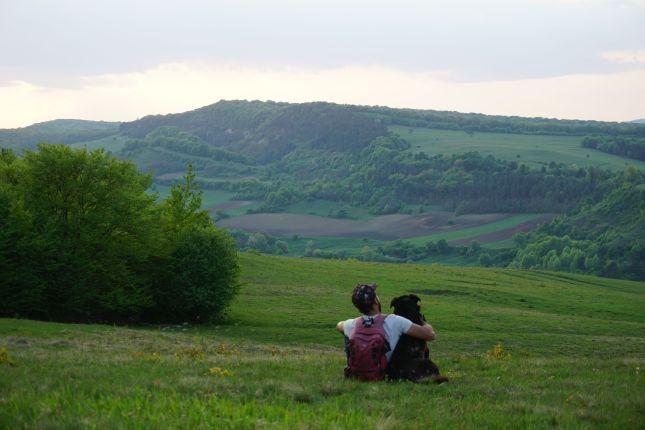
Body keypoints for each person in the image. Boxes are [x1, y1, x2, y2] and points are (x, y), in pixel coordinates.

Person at [335, 283, 436, 381]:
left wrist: (360, 321)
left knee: (347, 335)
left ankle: (354, 367)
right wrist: (423, 322)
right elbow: (430, 335)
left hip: (356, 375)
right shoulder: (394, 321)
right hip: (382, 374)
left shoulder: (352, 324)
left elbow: (339, 325)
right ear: (375, 302)